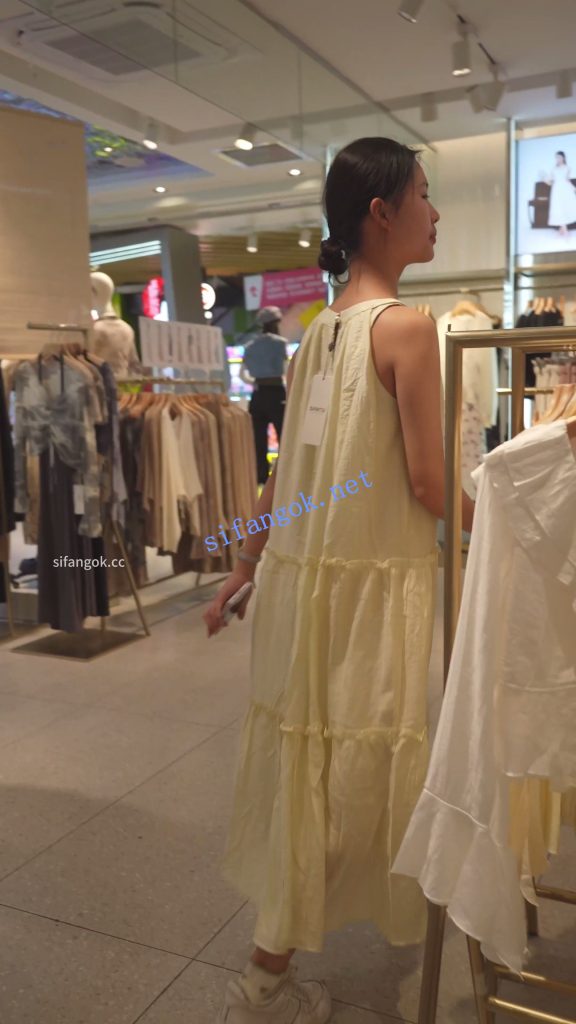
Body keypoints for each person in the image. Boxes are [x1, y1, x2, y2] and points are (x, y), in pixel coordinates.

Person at [204, 137, 475, 1024]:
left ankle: (267, 976)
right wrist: (507, 528)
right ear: (382, 213)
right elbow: (430, 485)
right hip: (373, 597)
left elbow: (284, 476)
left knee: (312, 771)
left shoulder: (318, 333)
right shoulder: (406, 327)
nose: (436, 211)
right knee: (374, 770)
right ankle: (315, 976)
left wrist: (245, 564)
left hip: (307, 591)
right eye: (424, 194)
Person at [241, 306, 289, 485]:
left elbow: (242, 375)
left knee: (258, 440)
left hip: (258, 394)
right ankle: (285, 475)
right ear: (276, 323)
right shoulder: (280, 343)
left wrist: (254, 381)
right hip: (276, 393)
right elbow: (286, 371)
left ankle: (261, 476)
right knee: (284, 436)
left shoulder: (250, 346)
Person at [547, 151, 576, 237]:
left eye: (559, 157)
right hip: (556, 190)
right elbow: (550, 182)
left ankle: (562, 229)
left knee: (565, 207)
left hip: (565, 190)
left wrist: (573, 188)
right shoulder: (553, 169)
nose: (557, 159)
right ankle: (564, 230)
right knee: (558, 208)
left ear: (563, 157)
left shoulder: (568, 168)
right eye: (556, 157)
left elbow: (567, 180)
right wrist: (545, 180)